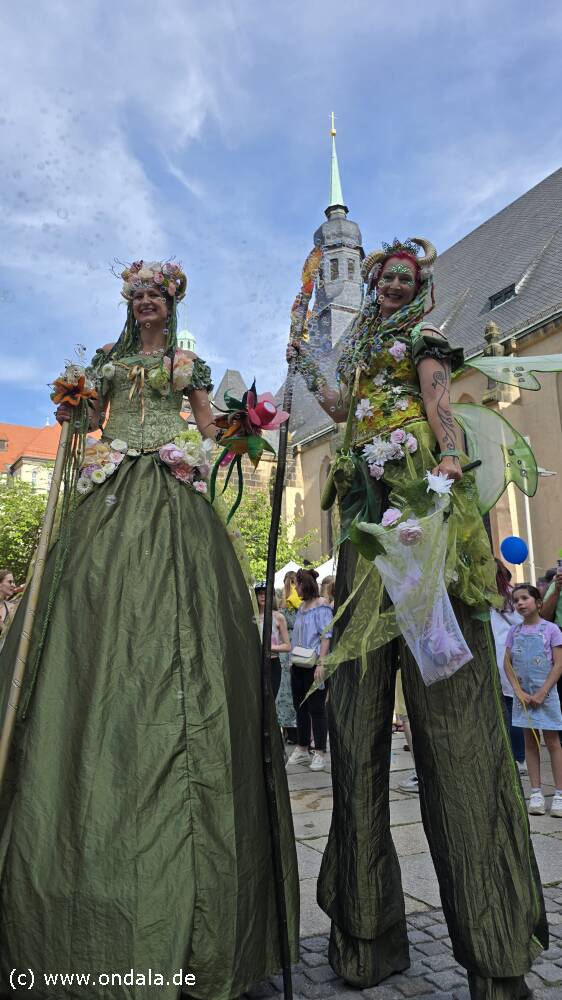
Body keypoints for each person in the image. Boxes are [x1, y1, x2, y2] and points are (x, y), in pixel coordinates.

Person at [0, 260, 299, 1000]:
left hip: (172, 493)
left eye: (156, 295)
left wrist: (240, 437)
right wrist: (74, 414)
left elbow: (206, 426)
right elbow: (86, 426)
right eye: (137, 295)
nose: (147, 303)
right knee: (91, 610)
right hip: (111, 496)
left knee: (192, 620)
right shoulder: (106, 365)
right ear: (129, 305)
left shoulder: (185, 364)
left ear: (171, 303)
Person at [290, 237, 546, 998]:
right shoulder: (365, 341)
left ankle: (494, 951)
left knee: (455, 724)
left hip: (416, 509)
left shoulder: (424, 341)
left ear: (419, 287)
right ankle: (365, 936)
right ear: (371, 283)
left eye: (408, 277)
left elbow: (439, 401)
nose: (397, 284)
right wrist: (303, 359)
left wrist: (445, 460)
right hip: (365, 521)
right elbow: (340, 408)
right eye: (388, 276)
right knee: (357, 725)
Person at [504, 584, 562, 818]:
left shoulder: (551, 630)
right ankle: (536, 792)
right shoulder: (514, 632)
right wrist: (518, 692)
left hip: (545, 696)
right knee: (530, 742)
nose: (519, 603)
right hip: (523, 698)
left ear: (538, 602)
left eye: (525, 598)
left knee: (553, 743)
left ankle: (559, 794)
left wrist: (542, 693)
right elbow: (506, 663)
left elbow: (558, 664)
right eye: (516, 600)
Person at [287, 568, 332, 772]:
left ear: (304, 583)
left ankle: (320, 751)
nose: (295, 587)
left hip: (314, 663)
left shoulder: (321, 606)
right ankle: (303, 747)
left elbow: (326, 635)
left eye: (296, 583)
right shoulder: (302, 606)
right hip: (298, 663)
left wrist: (322, 663)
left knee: (316, 708)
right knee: (301, 707)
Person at [490, 558, 526, 773]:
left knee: (510, 710)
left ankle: (519, 757)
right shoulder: (511, 595)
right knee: (511, 709)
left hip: (504, 657)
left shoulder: (501, 596)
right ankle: (518, 758)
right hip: (508, 657)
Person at [254, 581, 291, 700]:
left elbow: (287, 646)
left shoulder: (278, 617)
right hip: (255, 664)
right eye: (260, 593)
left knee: (270, 701)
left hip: (272, 663)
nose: (263, 596)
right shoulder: (252, 617)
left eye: (266, 593)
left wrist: (268, 647)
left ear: (272, 596)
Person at [278, 571, 300, 743]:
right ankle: (291, 729)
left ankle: (290, 730)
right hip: (291, 649)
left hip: (290, 650)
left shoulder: (286, 606)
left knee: (287, 689)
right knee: (288, 689)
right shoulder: (286, 606)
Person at [0, 570, 17, 641]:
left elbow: (13, 637)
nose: (14, 585)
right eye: (10, 582)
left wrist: (3, 627)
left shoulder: (11, 607)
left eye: (13, 582)